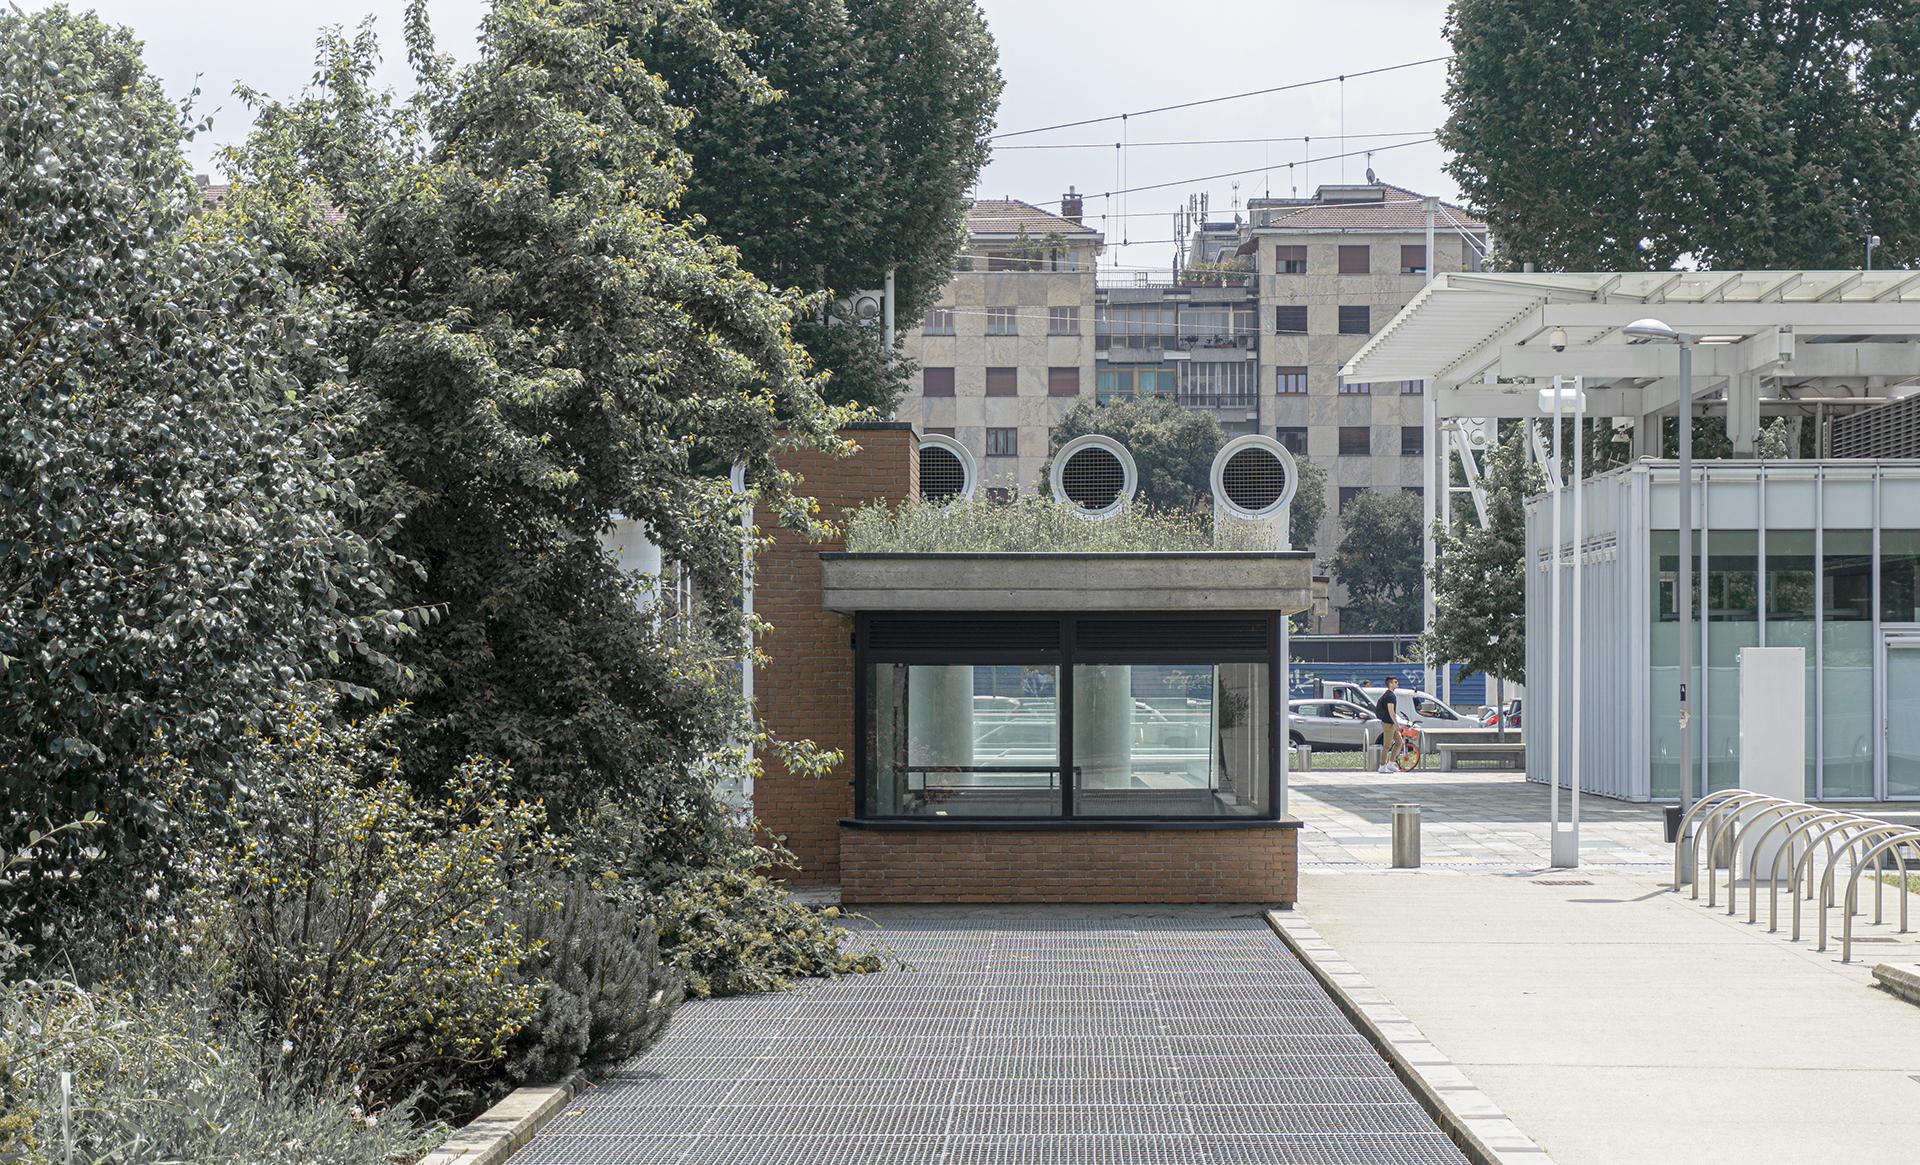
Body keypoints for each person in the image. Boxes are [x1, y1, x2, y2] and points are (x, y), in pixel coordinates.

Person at [1375, 677, 1403, 774]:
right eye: (1395, 682)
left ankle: (1391, 763)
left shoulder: (1388, 695)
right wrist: (1397, 724)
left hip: (1390, 723)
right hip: (1388, 723)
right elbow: (1391, 711)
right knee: (1387, 746)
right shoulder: (1390, 696)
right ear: (1390, 684)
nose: (1397, 683)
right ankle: (1382, 766)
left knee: (1399, 742)